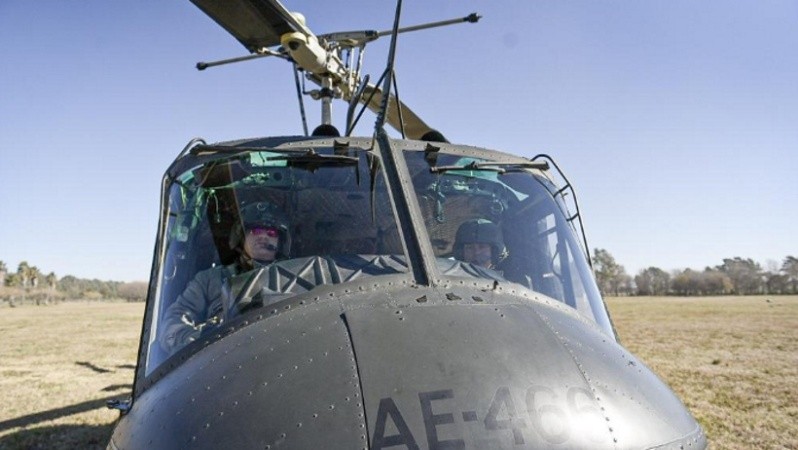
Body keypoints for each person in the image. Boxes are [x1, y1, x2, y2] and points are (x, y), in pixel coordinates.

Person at [159, 201, 290, 354]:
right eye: (256, 231)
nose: (263, 236)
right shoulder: (209, 279)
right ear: (241, 237)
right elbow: (174, 320)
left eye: (272, 233)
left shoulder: (300, 276)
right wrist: (200, 340)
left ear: (280, 242)